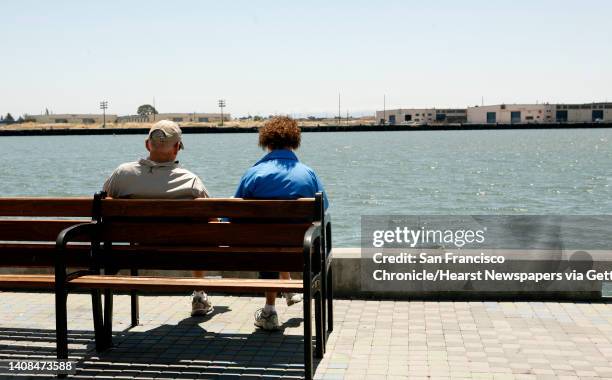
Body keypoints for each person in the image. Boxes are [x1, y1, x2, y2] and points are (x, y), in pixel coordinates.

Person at [103, 120, 214, 316]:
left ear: (148, 145)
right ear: (177, 148)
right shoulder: (191, 181)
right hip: (181, 253)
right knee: (202, 233)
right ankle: (199, 293)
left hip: (132, 252)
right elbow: (212, 222)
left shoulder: (122, 175)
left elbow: (102, 205)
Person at [234, 116, 329, 330]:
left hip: (261, 253)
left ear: (266, 142)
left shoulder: (253, 174)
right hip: (301, 253)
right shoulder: (308, 174)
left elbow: (234, 214)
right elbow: (322, 211)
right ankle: (287, 294)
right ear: (294, 142)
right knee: (283, 240)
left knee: (267, 242)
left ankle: (269, 311)